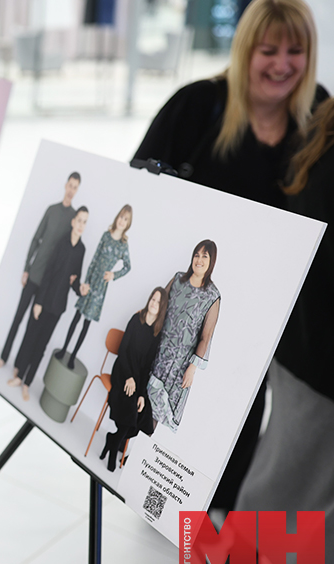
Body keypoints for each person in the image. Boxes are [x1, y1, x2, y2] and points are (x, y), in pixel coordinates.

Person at [132, 0, 326, 510]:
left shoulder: (319, 116)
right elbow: (140, 183)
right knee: (177, 418)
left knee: (241, 424)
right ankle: (165, 507)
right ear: (244, 51)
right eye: (268, 50)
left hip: (273, 314)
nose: (282, 64)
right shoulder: (197, 106)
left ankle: (214, 524)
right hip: (192, 305)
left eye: (296, 51)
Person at [226, 97, 334, 564]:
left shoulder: (321, 117)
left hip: (302, 351)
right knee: (275, 515)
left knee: (277, 506)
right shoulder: (323, 123)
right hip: (314, 364)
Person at [0, 172, 81, 369]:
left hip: (47, 285)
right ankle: (4, 356)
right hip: (34, 274)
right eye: (70, 185)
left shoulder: (73, 219)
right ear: (65, 185)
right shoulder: (51, 210)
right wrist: (27, 268)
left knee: (31, 327)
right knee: (18, 317)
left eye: (75, 187)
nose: (71, 190)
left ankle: (18, 366)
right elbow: (36, 239)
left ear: (77, 191)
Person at [8, 206, 91, 401]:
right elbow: (47, 273)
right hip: (44, 301)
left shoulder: (81, 250)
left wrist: (80, 289)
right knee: (30, 338)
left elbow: (74, 280)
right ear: (73, 222)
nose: (81, 225)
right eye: (79, 220)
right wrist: (38, 302)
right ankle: (19, 377)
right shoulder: (61, 243)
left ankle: (27, 383)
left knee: (42, 346)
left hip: (58, 307)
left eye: (84, 222)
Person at [146, 240, 221, 433]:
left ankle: (134, 455)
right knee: (141, 398)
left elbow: (206, 337)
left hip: (178, 366)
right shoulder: (178, 279)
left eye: (205, 256)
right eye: (197, 254)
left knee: (157, 412)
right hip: (157, 350)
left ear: (211, 261)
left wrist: (192, 369)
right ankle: (123, 448)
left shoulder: (212, 296)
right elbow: (159, 306)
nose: (199, 259)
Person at [99, 287, 167, 473]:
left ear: (162, 307)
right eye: (152, 299)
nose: (153, 303)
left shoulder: (157, 333)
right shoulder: (136, 320)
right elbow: (123, 351)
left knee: (143, 417)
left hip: (138, 378)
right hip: (123, 370)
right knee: (130, 410)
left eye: (157, 301)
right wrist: (129, 377)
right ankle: (114, 447)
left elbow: (147, 367)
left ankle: (113, 439)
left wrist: (142, 394)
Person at [58, 204, 133, 369]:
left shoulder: (123, 245)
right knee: (76, 316)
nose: (122, 221)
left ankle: (73, 356)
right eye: (121, 216)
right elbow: (94, 260)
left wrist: (113, 275)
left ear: (128, 223)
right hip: (91, 282)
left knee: (86, 322)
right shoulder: (106, 236)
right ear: (117, 217)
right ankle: (64, 350)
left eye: (125, 219)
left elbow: (128, 266)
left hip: (101, 288)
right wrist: (85, 282)